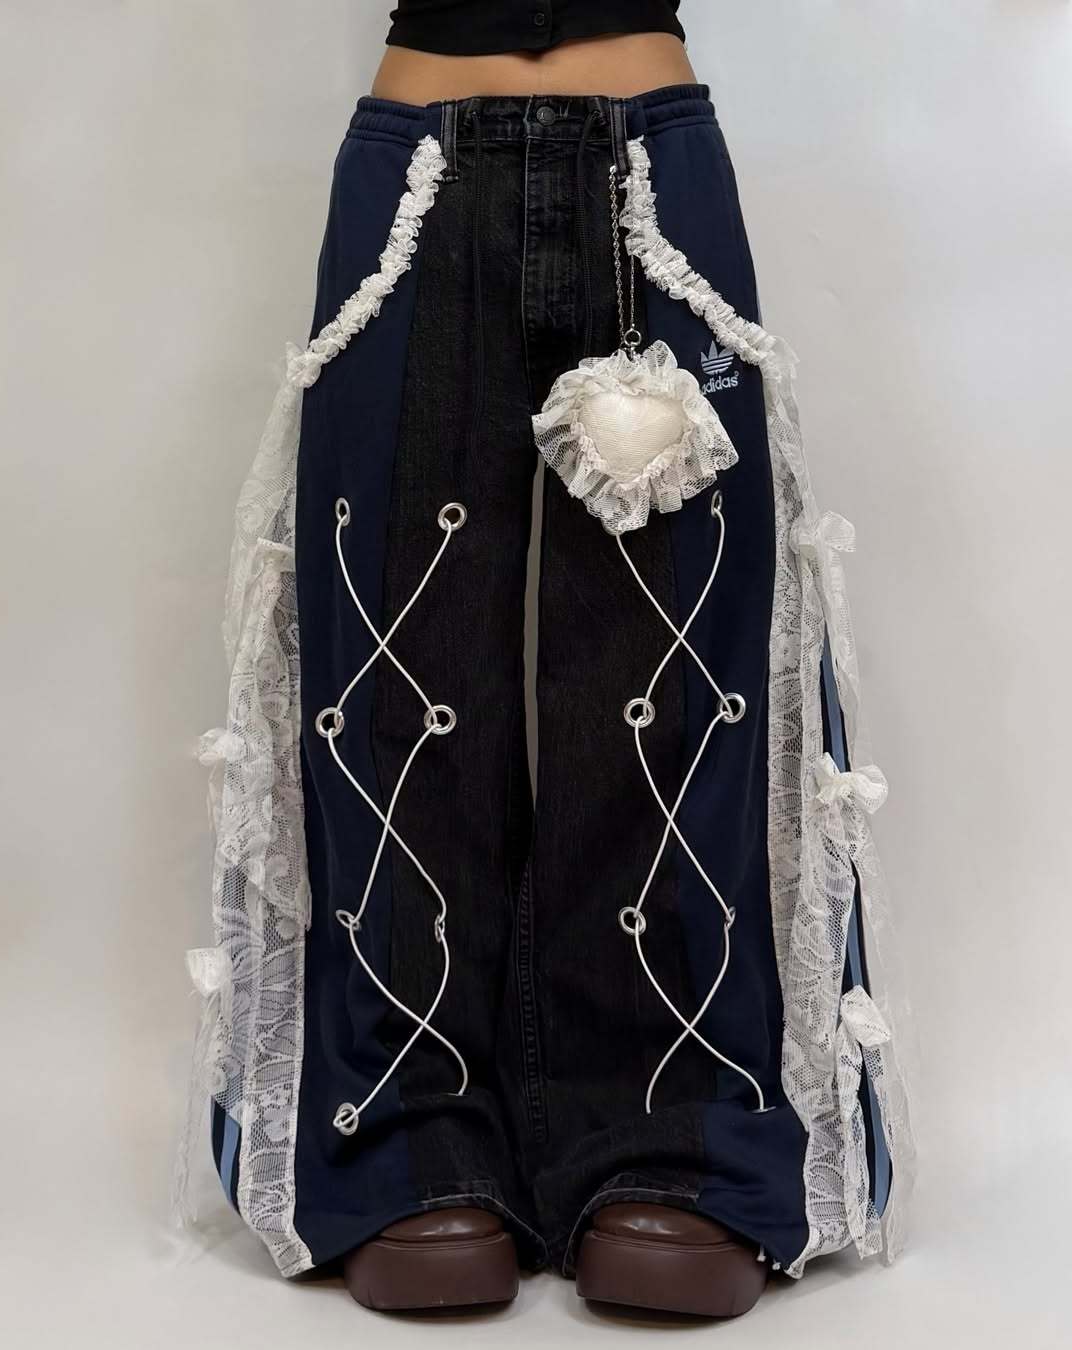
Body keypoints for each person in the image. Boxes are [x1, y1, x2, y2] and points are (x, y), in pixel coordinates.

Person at [181, 0, 915, 1320]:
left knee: (670, 670)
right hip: (416, 176)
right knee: (396, 663)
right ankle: (408, 1127)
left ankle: (676, 1132)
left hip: (653, 177)